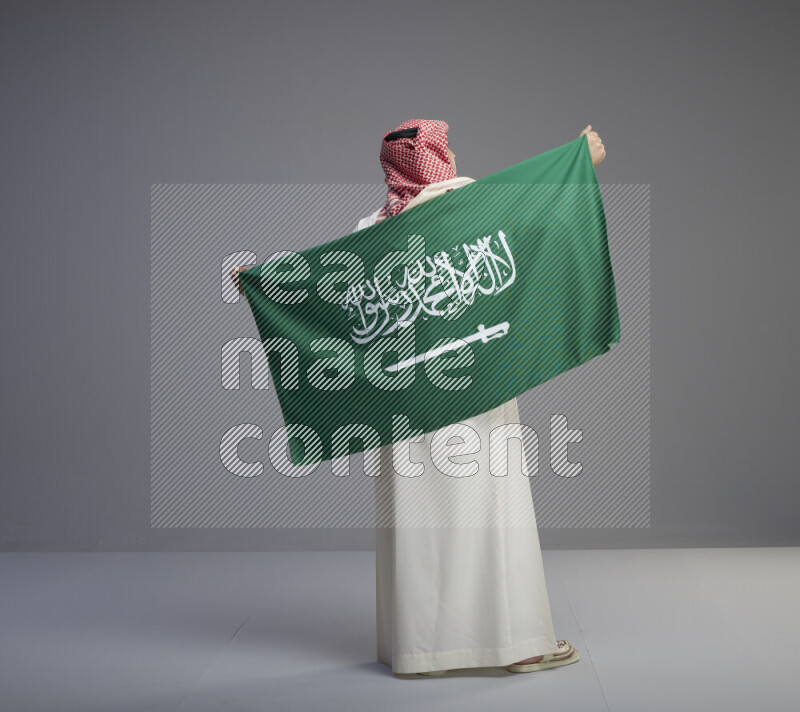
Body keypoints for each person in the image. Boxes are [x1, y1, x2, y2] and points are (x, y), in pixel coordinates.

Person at [231, 119, 606, 676]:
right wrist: (580, 161)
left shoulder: (373, 227)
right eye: (446, 145)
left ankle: (420, 650)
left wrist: (267, 286)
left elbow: (328, 297)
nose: (453, 151)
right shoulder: (469, 203)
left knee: (418, 524)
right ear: (436, 155)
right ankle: (520, 643)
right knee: (493, 517)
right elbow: (537, 215)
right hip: (475, 394)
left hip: (402, 405)